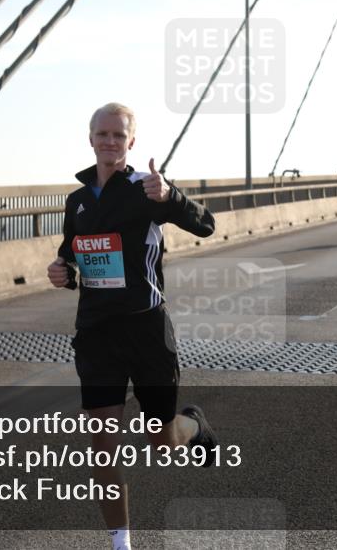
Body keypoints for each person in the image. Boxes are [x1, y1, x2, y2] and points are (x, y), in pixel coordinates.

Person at [48, 103, 217, 550]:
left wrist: (170, 196)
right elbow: (74, 252)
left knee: (162, 441)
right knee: (102, 443)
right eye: (102, 134)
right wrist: (62, 270)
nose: (109, 141)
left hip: (146, 331)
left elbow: (205, 224)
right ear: (90, 138)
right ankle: (121, 544)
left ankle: (194, 427)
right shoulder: (78, 201)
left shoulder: (146, 190)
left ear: (131, 143)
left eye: (118, 135)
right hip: (97, 333)